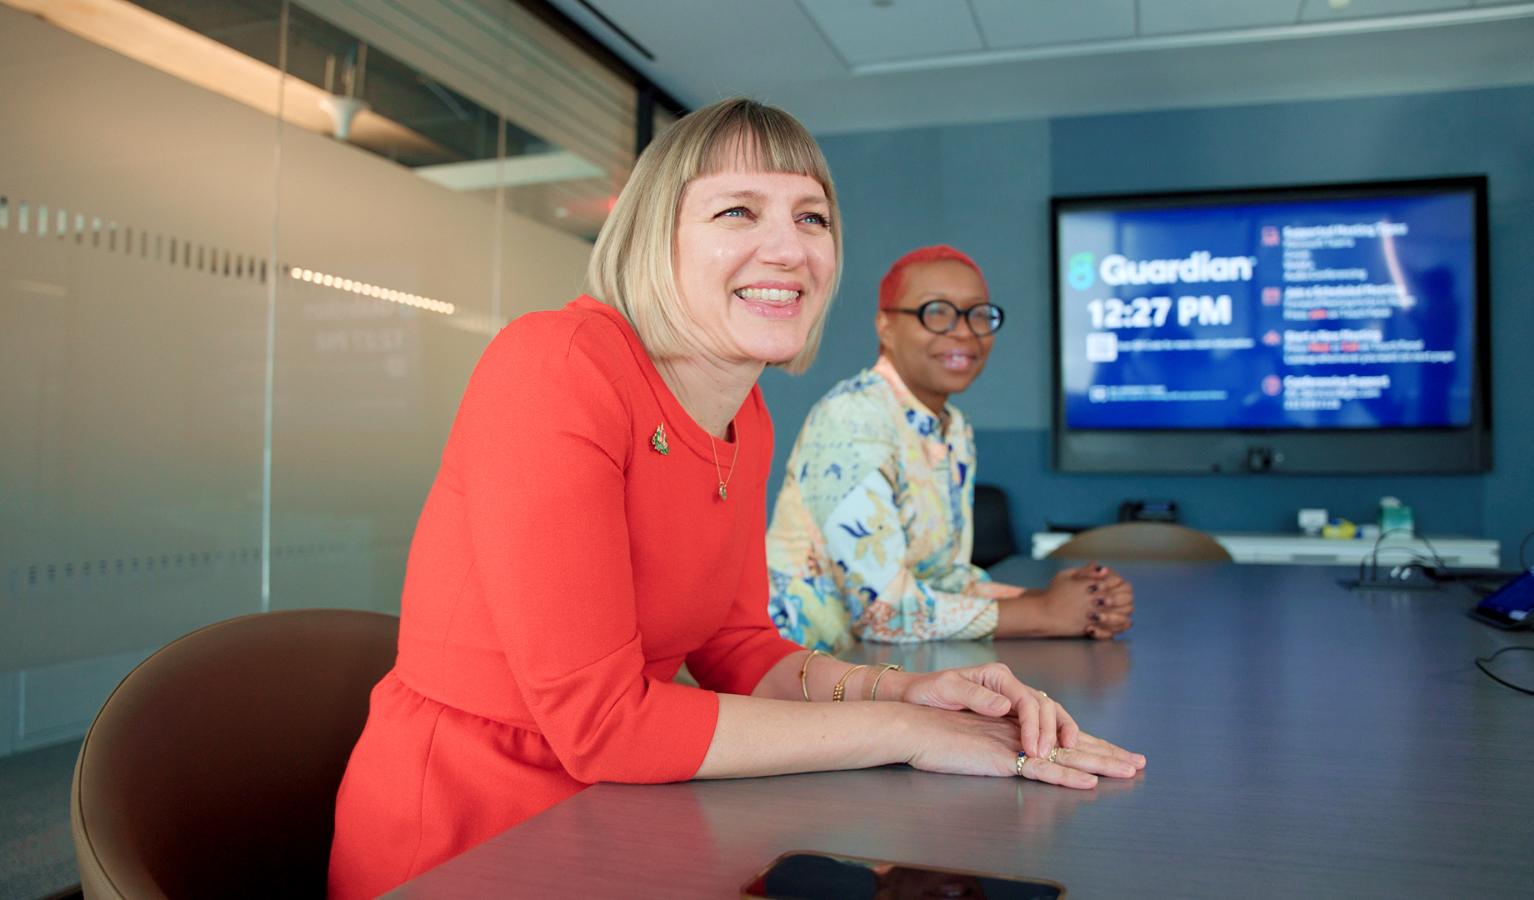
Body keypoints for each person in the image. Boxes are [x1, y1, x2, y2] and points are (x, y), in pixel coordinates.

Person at [327, 100, 1143, 899]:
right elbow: (602, 723)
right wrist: (905, 732)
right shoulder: (557, 364)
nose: (788, 249)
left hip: (620, 814)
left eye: (812, 219)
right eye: (738, 212)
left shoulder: (744, 416)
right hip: (471, 837)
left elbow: (737, 647)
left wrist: (908, 691)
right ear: (657, 237)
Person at [767, 246, 1136, 651]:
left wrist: (1080, 603)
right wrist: (1044, 613)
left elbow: (944, 580)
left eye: (978, 314)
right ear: (885, 326)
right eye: (937, 311)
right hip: (799, 676)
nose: (964, 331)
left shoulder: (953, 428)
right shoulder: (852, 417)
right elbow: (881, 612)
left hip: (889, 668)